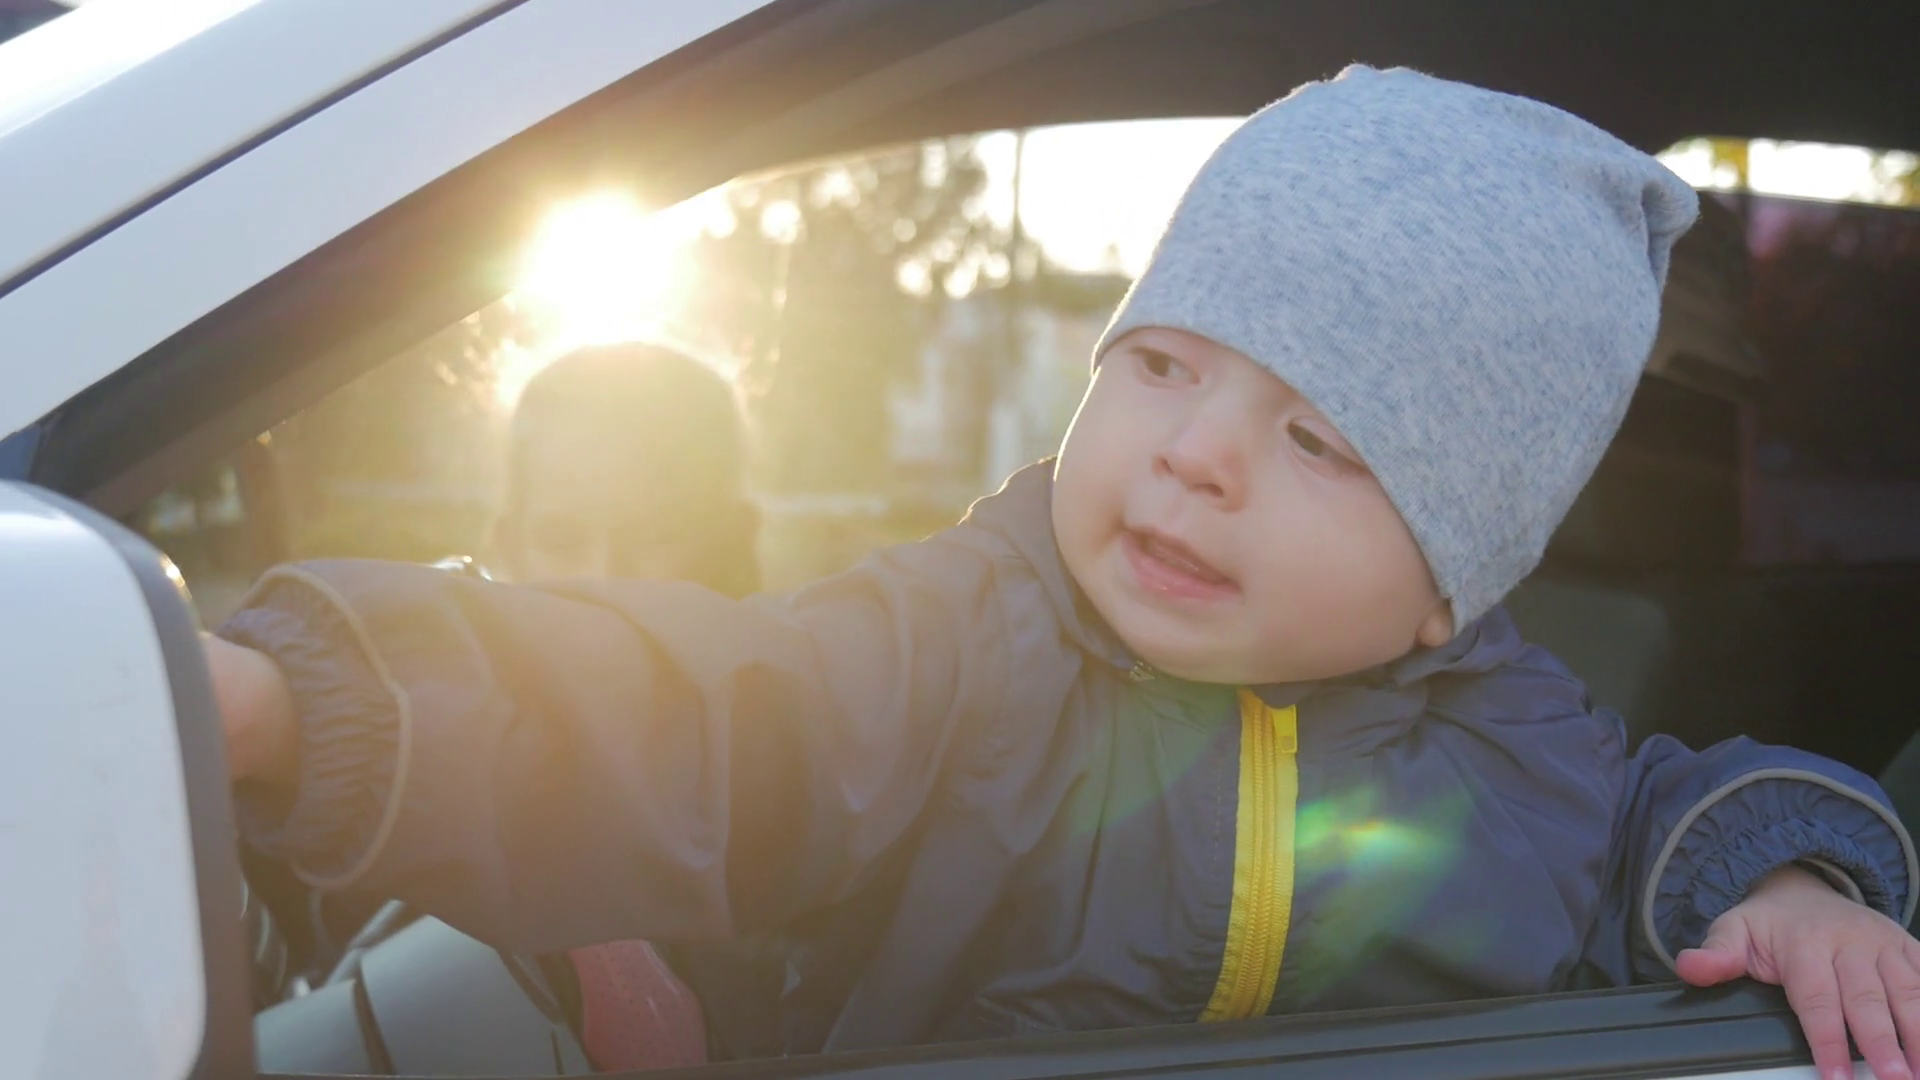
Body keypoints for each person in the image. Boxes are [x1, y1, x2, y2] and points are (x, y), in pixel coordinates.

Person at [206, 67, 1920, 1080]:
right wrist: (310, 703)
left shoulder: (1522, 747)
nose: (1197, 452)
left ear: (1450, 578)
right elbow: (697, 719)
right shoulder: (962, 651)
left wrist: (1786, 890)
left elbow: (1666, 818)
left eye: (1321, 439)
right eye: (1165, 363)